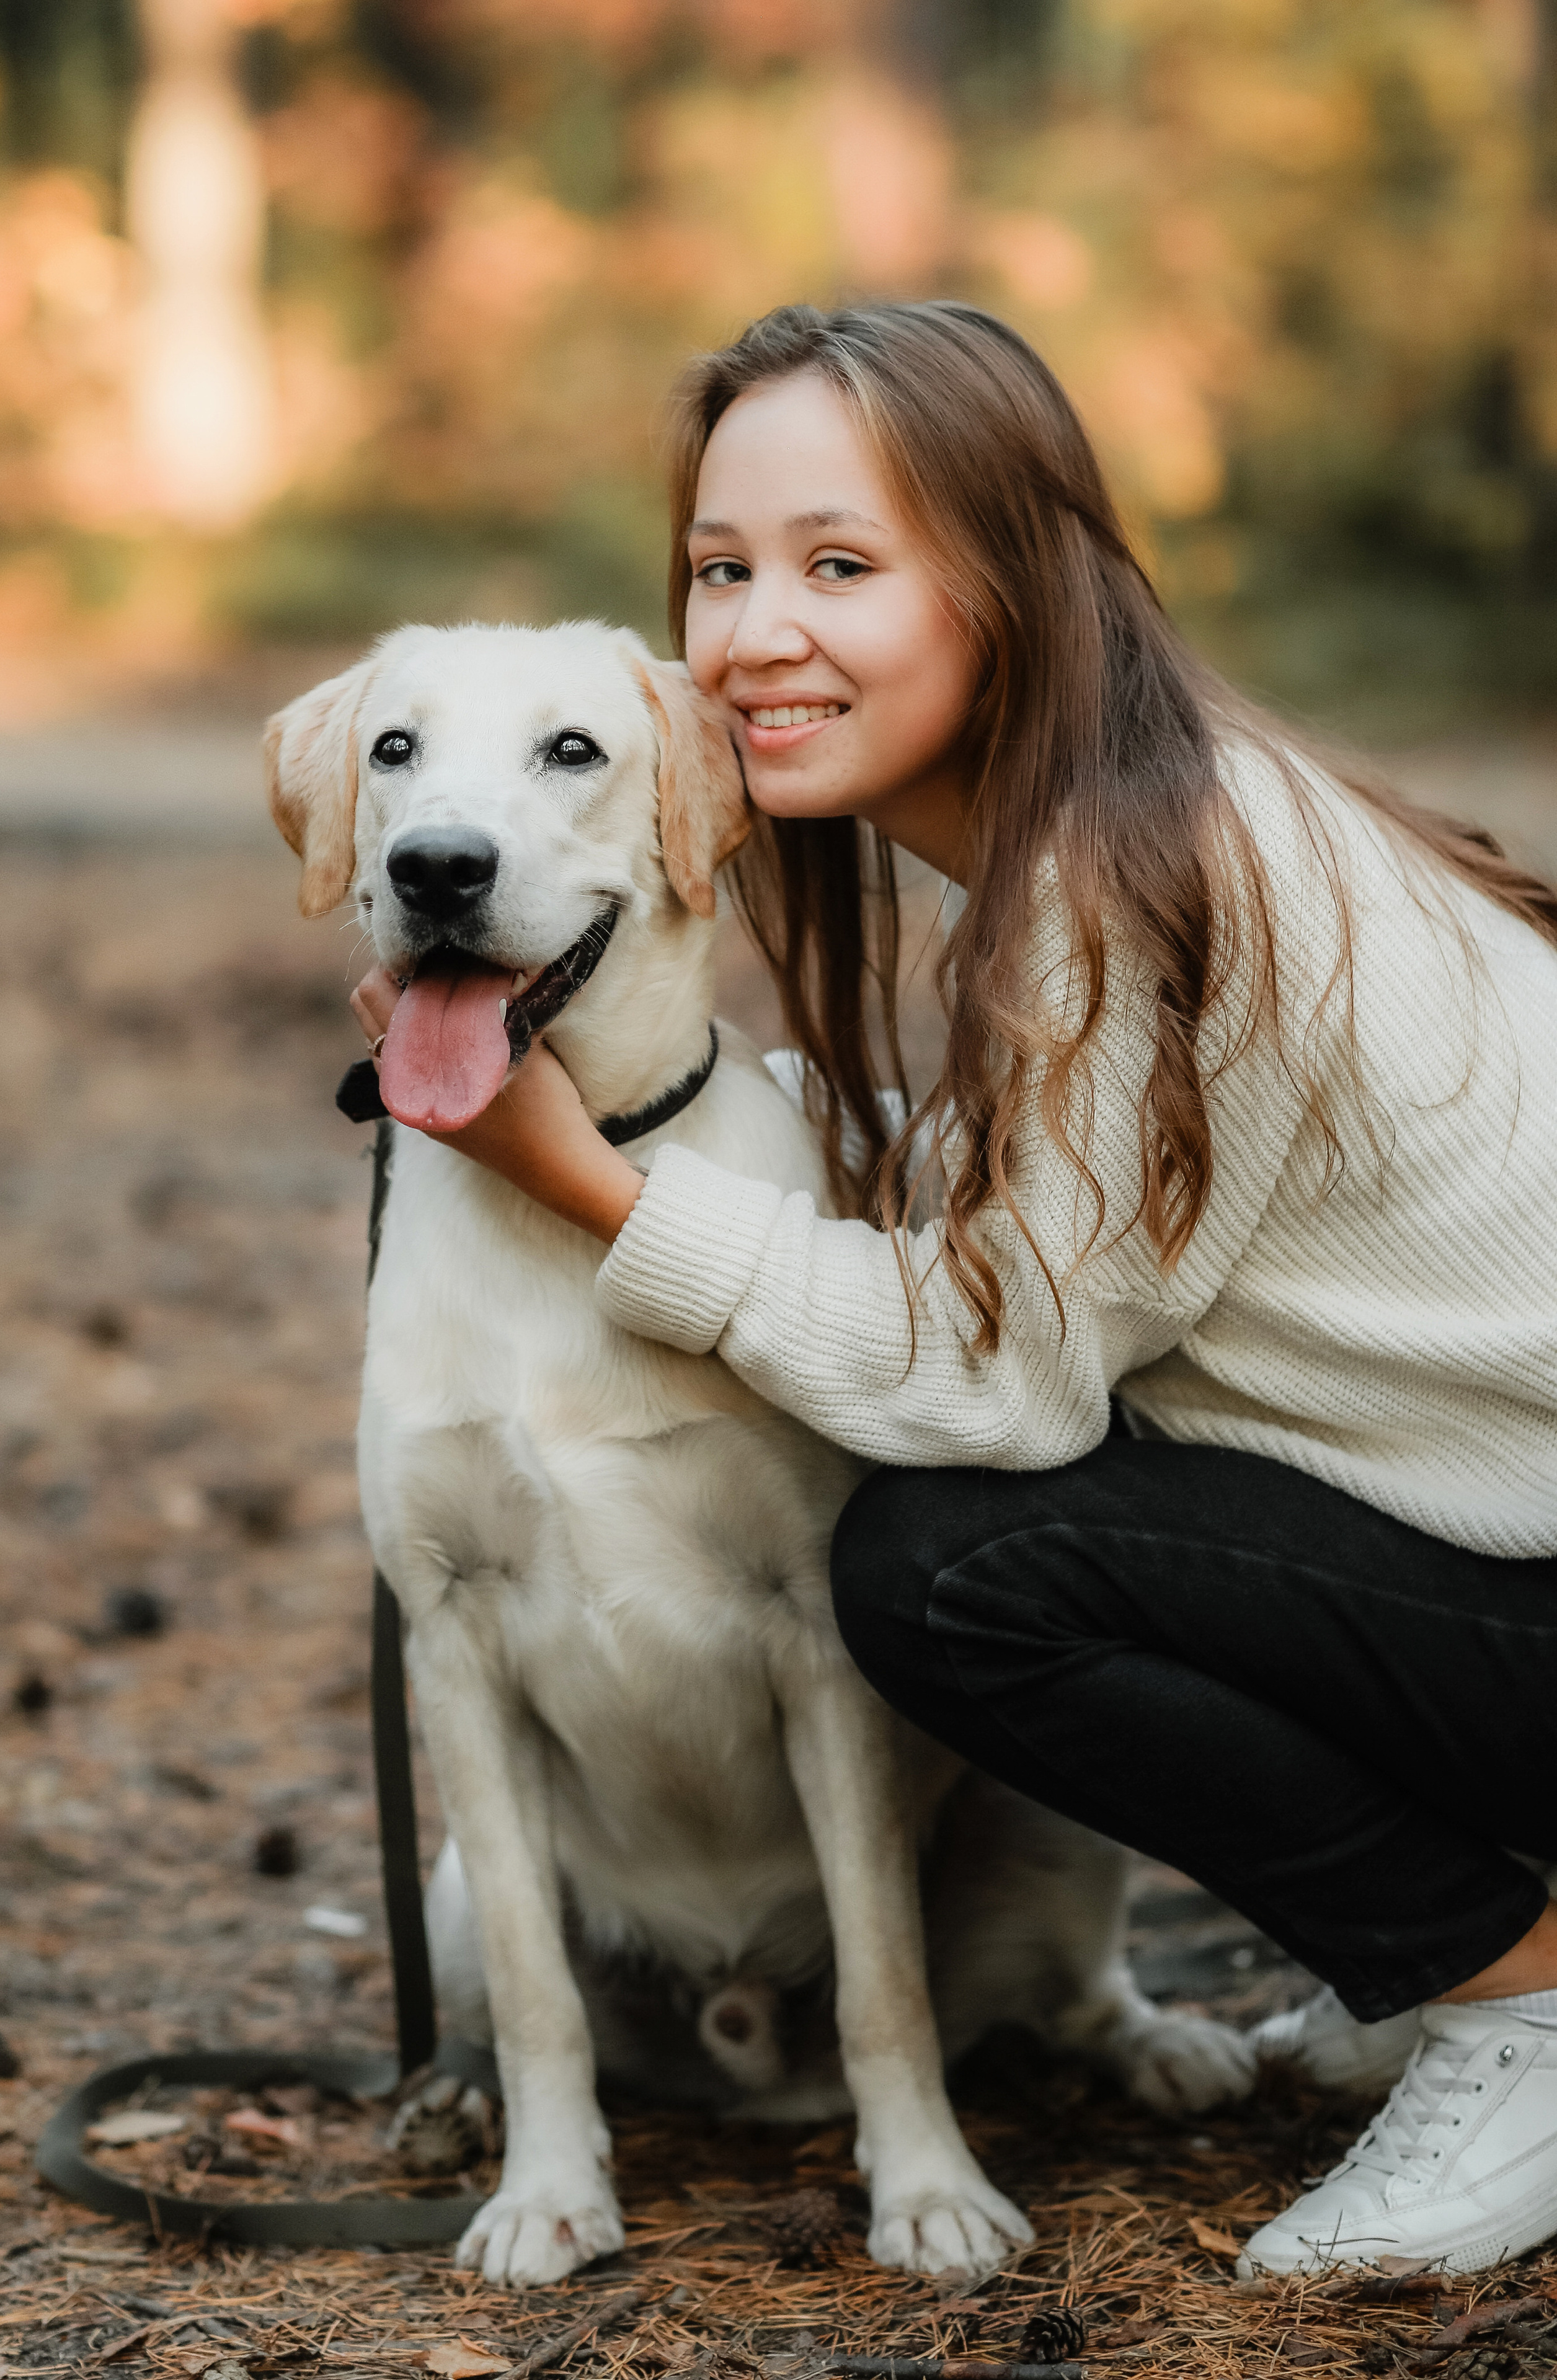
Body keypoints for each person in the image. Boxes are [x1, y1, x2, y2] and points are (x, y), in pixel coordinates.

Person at [351, 300, 1557, 2279]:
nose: (754, 633)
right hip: (1494, 1560)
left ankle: (1518, 1999)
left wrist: (592, 1185)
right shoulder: (1114, 826)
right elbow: (1096, 1226)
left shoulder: (1144, 881)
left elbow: (1000, 1384)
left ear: (1016, 579)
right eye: (721, 571)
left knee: (945, 1562)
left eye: (843, 565)